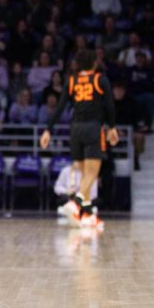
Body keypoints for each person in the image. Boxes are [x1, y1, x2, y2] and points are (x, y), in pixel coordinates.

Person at [39, 48, 117, 230]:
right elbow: (110, 106)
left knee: (84, 175)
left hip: (74, 130)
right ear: (94, 63)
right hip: (93, 128)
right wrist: (112, 127)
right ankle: (75, 204)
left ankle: (88, 215)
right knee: (93, 174)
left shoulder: (72, 81)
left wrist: (48, 130)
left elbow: (59, 107)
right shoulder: (100, 80)